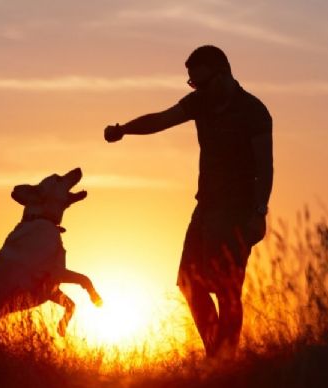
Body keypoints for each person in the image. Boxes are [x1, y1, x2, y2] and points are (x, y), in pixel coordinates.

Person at [104, 45, 273, 358]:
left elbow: (265, 166)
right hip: (206, 208)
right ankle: (216, 356)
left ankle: (225, 363)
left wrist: (259, 212)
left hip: (238, 211)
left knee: (227, 291)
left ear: (223, 75)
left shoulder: (253, 111)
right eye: (193, 85)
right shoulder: (200, 103)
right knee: (188, 281)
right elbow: (162, 120)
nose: (197, 90)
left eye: (202, 83)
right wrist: (125, 129)